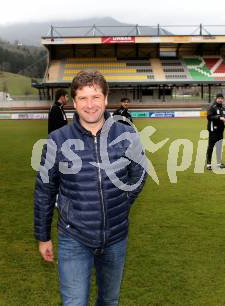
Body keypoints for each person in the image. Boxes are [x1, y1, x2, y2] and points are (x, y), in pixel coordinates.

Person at [34, 71, 147, 306]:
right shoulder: (57, 140)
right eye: (83, 98)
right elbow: (45, 190)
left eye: (95, 97)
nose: (90, 105)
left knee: (109, 300)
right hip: (74, 236)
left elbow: (139, 175)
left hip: (115, 236)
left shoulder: (126, 134)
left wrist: (121, 203)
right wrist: (43, 236)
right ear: (74, 103)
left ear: (106, 99)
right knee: (74, 302)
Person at [206, 93, 225, 170]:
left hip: (220, 130)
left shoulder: (224, 109)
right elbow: (209, 117)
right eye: (219, 98)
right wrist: (219, 118)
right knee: (211, 146)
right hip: (213, 130)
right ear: (216, 99)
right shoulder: (212, 107)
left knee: (219, 146)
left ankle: (219, 163)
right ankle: (208, 163)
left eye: (221, 98)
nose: (220, 99)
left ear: (223, 99)